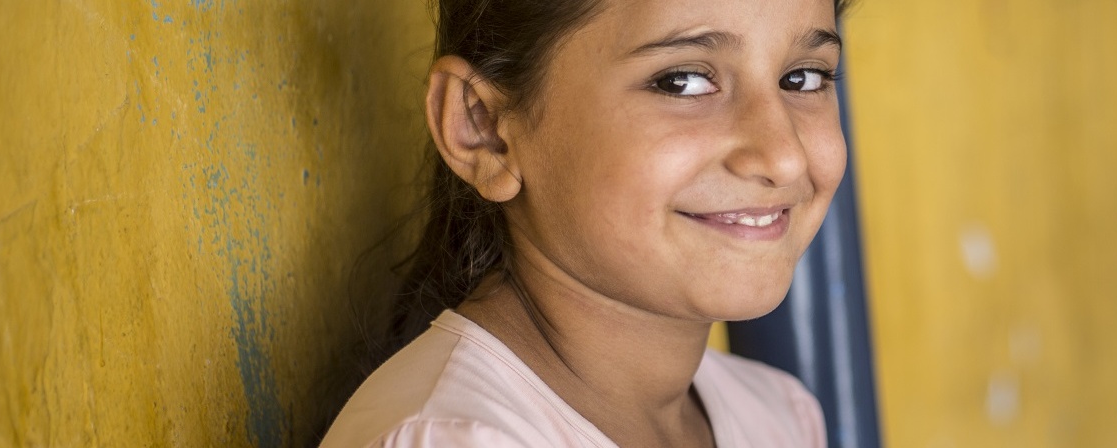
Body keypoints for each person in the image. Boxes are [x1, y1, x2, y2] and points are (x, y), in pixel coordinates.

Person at [321, 0, 850, 445]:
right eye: (682, 81)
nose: (785, 157)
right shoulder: (454, 437)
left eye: (803, 78)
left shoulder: (778, 416)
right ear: (482, 128)